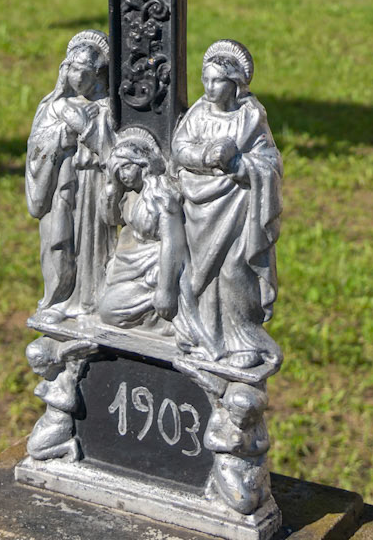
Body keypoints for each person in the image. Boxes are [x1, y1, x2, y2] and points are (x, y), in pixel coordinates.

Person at [171, 40, 282, 371]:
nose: (209, 87)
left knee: (234, 271)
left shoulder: (251, 117)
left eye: (217, 80)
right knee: (198, 275)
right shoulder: (198, 112)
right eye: (205, 79)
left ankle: (239, 340)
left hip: (237, 208)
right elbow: (179, 148)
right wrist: (207, 156)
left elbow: (269, 162)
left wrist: (238, 164)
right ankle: (200, 334)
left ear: (235, 83)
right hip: (201, 209)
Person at [24, 29, 114, 319]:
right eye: (71, 68)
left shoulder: (107, 107)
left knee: (90, 246)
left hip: (91, 185)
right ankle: (58, 297)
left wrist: (82, 126)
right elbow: (37, 145)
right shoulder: (55, 103)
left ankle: (86, 302)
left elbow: (109, 147)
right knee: (58, 241)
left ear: (98, 74)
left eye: (82, 70)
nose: (75, 77)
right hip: (59, 184)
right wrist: (62, 130)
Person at [98, 128, 185, 329]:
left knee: (108, 310)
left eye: (127, 167)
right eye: (118, 171)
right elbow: (111, 219)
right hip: (131, 262)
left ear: (142, 165)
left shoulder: (160, 196)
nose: (123, 175)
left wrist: (165, 290)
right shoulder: (129, 194)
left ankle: (164, 321)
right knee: (107, 307)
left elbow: (172, 241)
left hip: (155, 265)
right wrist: (112, 189)